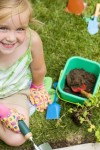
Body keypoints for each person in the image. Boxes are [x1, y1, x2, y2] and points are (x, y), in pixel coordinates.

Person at [0, 0, 51, 147]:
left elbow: (38, 68)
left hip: (15, 93)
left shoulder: (32, 41)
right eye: (3, 28)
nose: (11, 37)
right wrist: (3, 113)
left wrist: (37, 87)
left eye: (20, 29)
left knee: (17, 138)